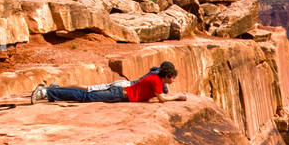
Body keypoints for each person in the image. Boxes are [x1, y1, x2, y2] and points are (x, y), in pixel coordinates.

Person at [31, 61, 187, 104]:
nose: (173, 80)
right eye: (172, 77)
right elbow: (162, 99)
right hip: (119, 94)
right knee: (85, 96)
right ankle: (46, 92)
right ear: (166, 76)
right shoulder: (155, 81)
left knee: (87, 91)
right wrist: (177, 97)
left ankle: (54, 91)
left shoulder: (156, 76)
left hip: (121, 89)